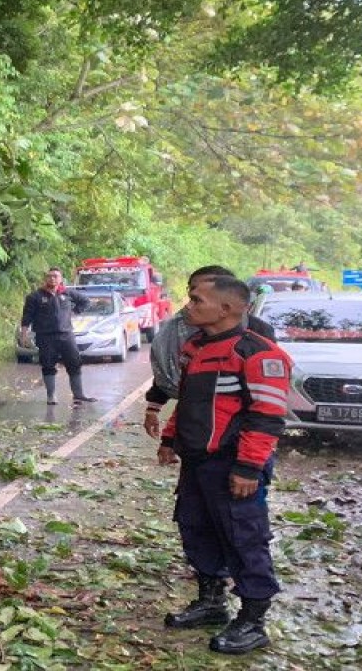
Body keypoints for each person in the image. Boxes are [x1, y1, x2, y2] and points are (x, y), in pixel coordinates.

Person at [157, 275, 290, 655]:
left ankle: (253, 620)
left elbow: (266, 417)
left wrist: (248, 467)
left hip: (235, 465)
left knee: (244, 536)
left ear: (227, 308)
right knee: (195, 527)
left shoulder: (258, 354)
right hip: (197, 462)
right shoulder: (194, 347)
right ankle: (212, 601)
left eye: (197, 300)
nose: (188, 307)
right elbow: (187, 402)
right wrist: (170, 440)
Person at [143, 266, 276, 439]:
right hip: (198, 445)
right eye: (191, 292)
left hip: (237, 444)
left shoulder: (259, 342)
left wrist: (249, 463)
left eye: (198, 299)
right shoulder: (191, 341)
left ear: (225, 304)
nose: (189, 305)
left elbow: (267, 411)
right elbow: (188, 392)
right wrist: (167, 435)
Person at [19, 267, 96, 405]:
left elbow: (86, 301)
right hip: (46, 336)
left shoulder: (67, 293)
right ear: (45, 279)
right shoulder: (35, 296)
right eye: (50, 276)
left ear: (61, 279)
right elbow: (27, 317)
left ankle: (78, 394)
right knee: (48, 365)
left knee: (74, 363)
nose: (52, 278)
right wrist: (24, 334)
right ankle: (51, 396)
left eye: (55, 276)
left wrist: (75, 311)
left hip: (67, 335)